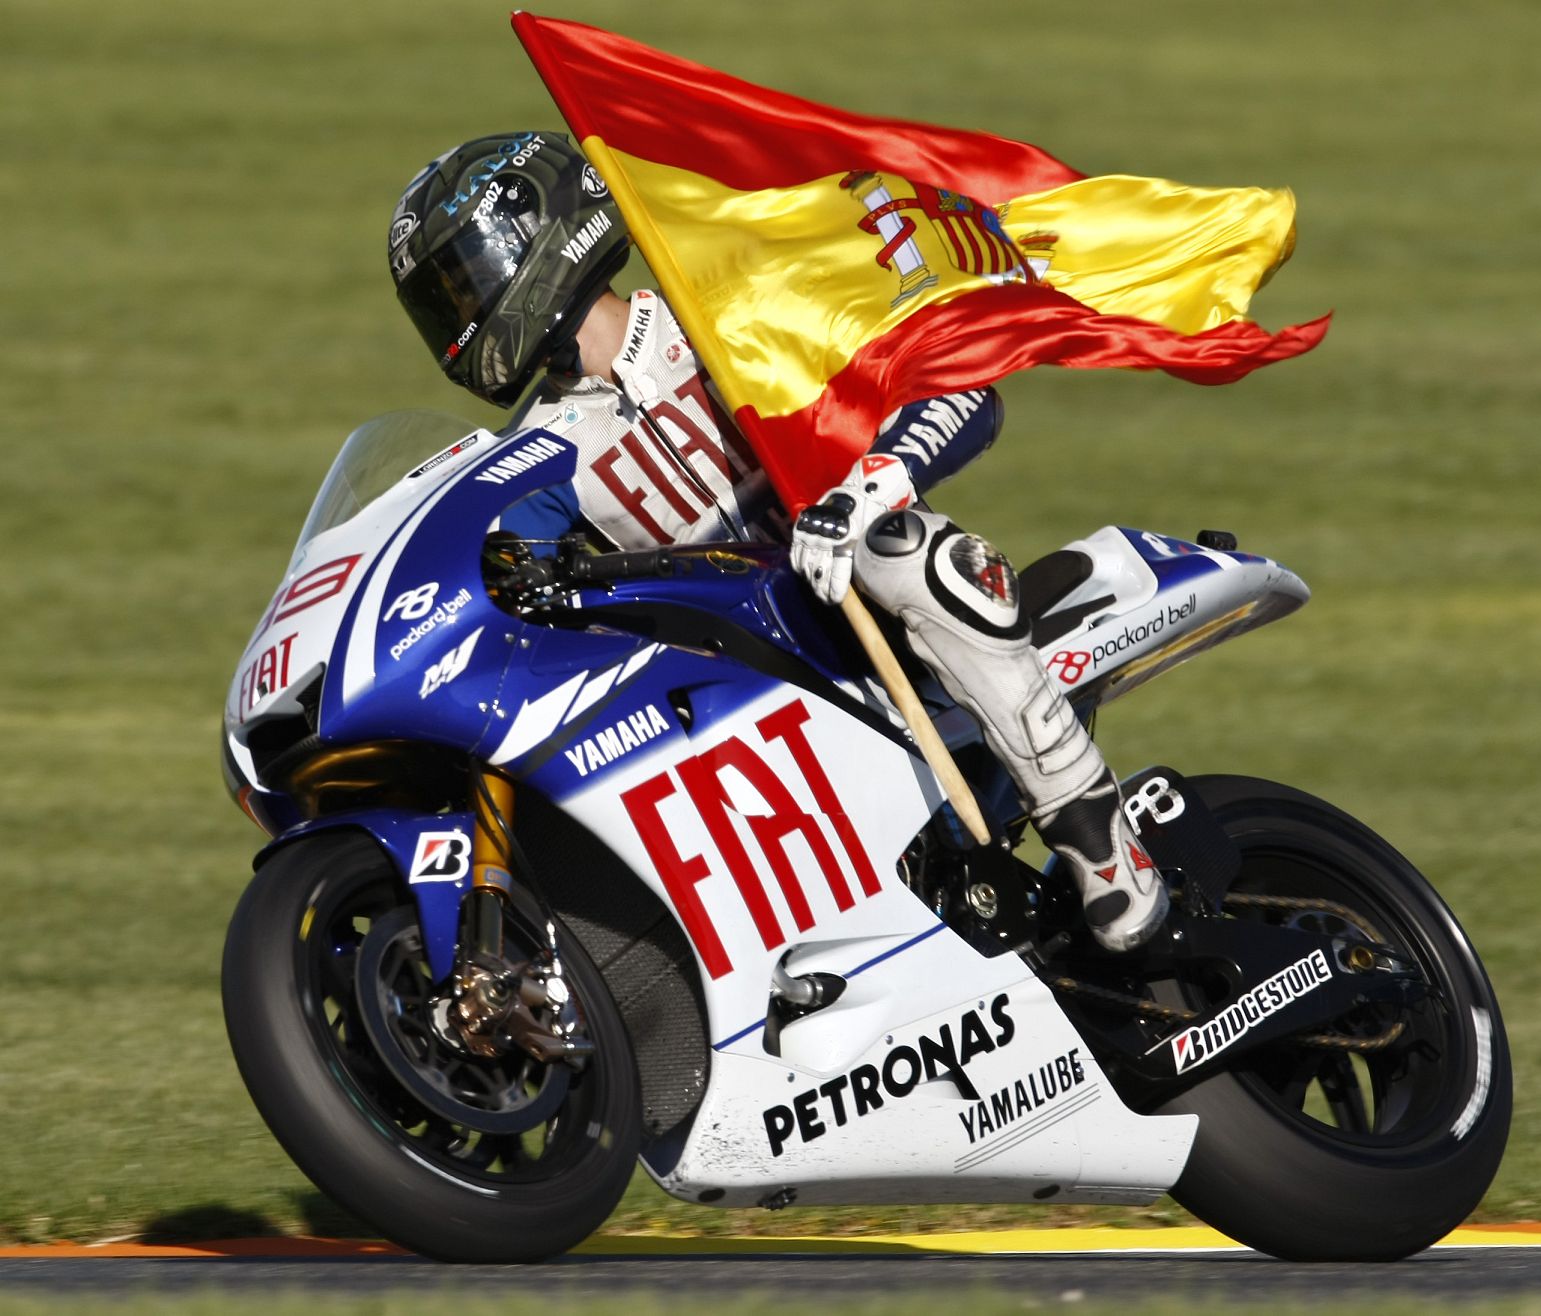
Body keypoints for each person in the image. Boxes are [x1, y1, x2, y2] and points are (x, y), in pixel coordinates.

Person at [388, 131, 1167, 953]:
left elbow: (962, 390)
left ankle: (1093, 827)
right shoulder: (531, 454)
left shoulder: (723, 319)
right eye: (441, 302)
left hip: (867, 627)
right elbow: (488, 568)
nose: (460, 318)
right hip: (728, 686)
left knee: (899, 546)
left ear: (540, 241)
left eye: (463, 284)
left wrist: (865, 490)